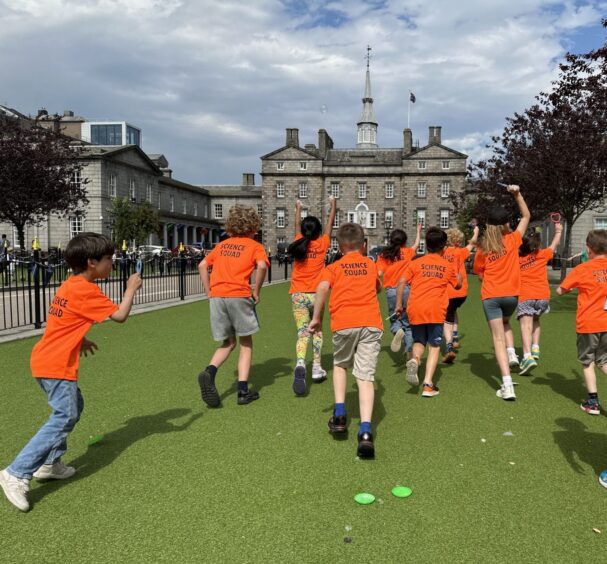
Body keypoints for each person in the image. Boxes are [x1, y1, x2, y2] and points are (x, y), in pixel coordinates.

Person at [0, 233, 142, 512]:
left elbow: (63, 321)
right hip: (55, 365)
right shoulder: (86, 290)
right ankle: (15, 473)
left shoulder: (71, 284)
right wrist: (131, 288)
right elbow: (120, 316)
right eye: (108, 260)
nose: (111, 264)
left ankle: (50, 464)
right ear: (91, 262)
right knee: (65, 414)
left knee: (74, 405)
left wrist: (81, 338)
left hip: (46, 360)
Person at [308, 223, 382, 458]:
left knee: (340, 364)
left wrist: (317, 317)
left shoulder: (334, 267)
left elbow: (321, 288)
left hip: (344, 322)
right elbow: (378, 288)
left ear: (339, 246)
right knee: (365, 377)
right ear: (363, 245)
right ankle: (366, 431)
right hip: (370, 323)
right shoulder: (371, 264)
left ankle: (340, 414)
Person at [197, 205, 269, 408]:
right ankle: (243, 391)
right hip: (239, 294)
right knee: (246, 342)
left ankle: (209, 371)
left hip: (218, 296)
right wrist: (257, 290)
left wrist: (208, 290)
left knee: (228, 343)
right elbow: (262, 266)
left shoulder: (222, 245)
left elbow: (202, 265)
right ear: (253, 227)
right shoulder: (254, 246)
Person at [473, 185, 530, 401]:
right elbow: (526, 215)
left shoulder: (483, 247)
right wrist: (517, 194)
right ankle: (513, 353)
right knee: (506, 324)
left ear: (488, 225)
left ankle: (507, 385)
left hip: (491, 296)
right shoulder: (513, 240)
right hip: (511, 296)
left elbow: (479, 273)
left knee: (497, 339)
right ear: (507, 223)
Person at [395, 227, 461, 397]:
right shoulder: (446, 265)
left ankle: (415, 360)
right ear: (444, 247)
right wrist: (459, 275)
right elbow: (458, 285)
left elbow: (402, 281)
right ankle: (428, 385)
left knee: (419, 341)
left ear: (426, 245)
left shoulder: (416, 263)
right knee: (434, 346)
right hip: (435, 310)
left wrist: (398, 304)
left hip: (415, 307)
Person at [287, 197, 336, 396]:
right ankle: (316, 367)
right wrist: (333, 206)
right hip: (317, 295)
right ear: (317, 231)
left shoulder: (299, 242)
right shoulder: (322, 244)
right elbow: (330, 224)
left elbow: (296, 223)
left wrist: (297, 207)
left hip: (298, 294)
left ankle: (300, 363)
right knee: (317, 331)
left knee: (302, 332)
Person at [557, 230, 607, 418]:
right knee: (604, 360)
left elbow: (561, 290)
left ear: (589, 249)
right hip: (606, 322)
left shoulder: (583, 269)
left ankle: (592, 402)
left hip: (589, 323)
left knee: (588, 362)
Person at [516, 223, 563, 374]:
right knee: (536, 320)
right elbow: (554, 244)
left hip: (526, 296)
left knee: (525, 326)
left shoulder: (518, 260)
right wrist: (558, 231)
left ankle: (527, 356)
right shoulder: (542, 254)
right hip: (543, 297)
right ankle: (535, 347)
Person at [376, 224, 421, 357]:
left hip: (391, 291)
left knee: (395, 319)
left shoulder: (384, 254)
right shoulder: (408, 252)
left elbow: (378, 273)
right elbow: (416, 245)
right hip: (407, 289)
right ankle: (409, 352)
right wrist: (418, 231)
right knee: (408, 323)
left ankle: (397, 331)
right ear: (404, 241)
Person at [442, 226, 479, 363]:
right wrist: (475, 232)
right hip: (462, 292)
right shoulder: (461, 252)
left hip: (449, 290)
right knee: (453, 311)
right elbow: (472, 243)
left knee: (447, 318)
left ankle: (449, 346)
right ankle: (456, 337)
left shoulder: (442, 252)